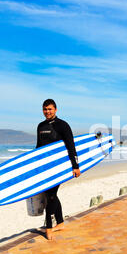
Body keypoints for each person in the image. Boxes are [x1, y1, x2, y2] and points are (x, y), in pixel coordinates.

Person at [36, 99, 81, 240]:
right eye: (45, 109)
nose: (47, 112)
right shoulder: (40, 126)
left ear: (55, 109)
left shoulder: (63, 125)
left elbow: (71, 146)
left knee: (51, 196)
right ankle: (60, 223)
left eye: (50, 109)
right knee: (50, 194)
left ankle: (49, 227)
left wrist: (75, 166)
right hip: (45, 167)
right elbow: (38, 147)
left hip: (59, 167)